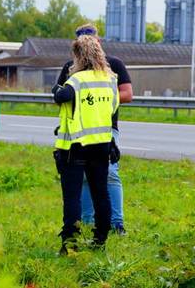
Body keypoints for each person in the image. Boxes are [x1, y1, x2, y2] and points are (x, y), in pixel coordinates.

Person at [55, 24, 134, 235]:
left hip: (91, 133)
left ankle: (116, 224)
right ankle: (95, 228)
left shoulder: (112, 66)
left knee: (107, 178)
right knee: (94, 184)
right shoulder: (74, 69)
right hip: (96, 133)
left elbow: (62, 96)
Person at [51, 33, 120, 254]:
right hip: (101, 144)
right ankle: (100, 239)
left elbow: (62, 97)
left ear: (79, 56)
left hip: (75, 146)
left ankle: (70, 244)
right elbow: (112, 110)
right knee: (101, 192)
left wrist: (55, 89)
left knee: (72, 196)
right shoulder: (110, 80)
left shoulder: (77, 80)